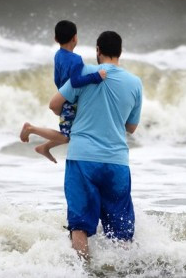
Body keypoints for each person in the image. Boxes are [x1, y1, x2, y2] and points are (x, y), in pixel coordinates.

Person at [48, 30, 143, 260]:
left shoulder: (85, 72)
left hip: (83, 158)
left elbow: (54, 104)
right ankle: (122, 271)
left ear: (97, 50)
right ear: (120, 52)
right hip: (116, 162)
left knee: (79, 224)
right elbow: (131, 127)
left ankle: (83, 270)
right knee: (121, 229)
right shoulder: (134, 83)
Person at [20, 20, 106, 163]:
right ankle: (31, 129)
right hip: (70, 102)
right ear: (75, 38)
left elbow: (57, 79)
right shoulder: (76, 59)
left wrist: (62, 93)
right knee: (67, 136)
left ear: (55, 39)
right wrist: (96, 77)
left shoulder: (58, 55)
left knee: (70, 132)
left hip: (64, 98)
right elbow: (75, 82)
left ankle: (44, 148)